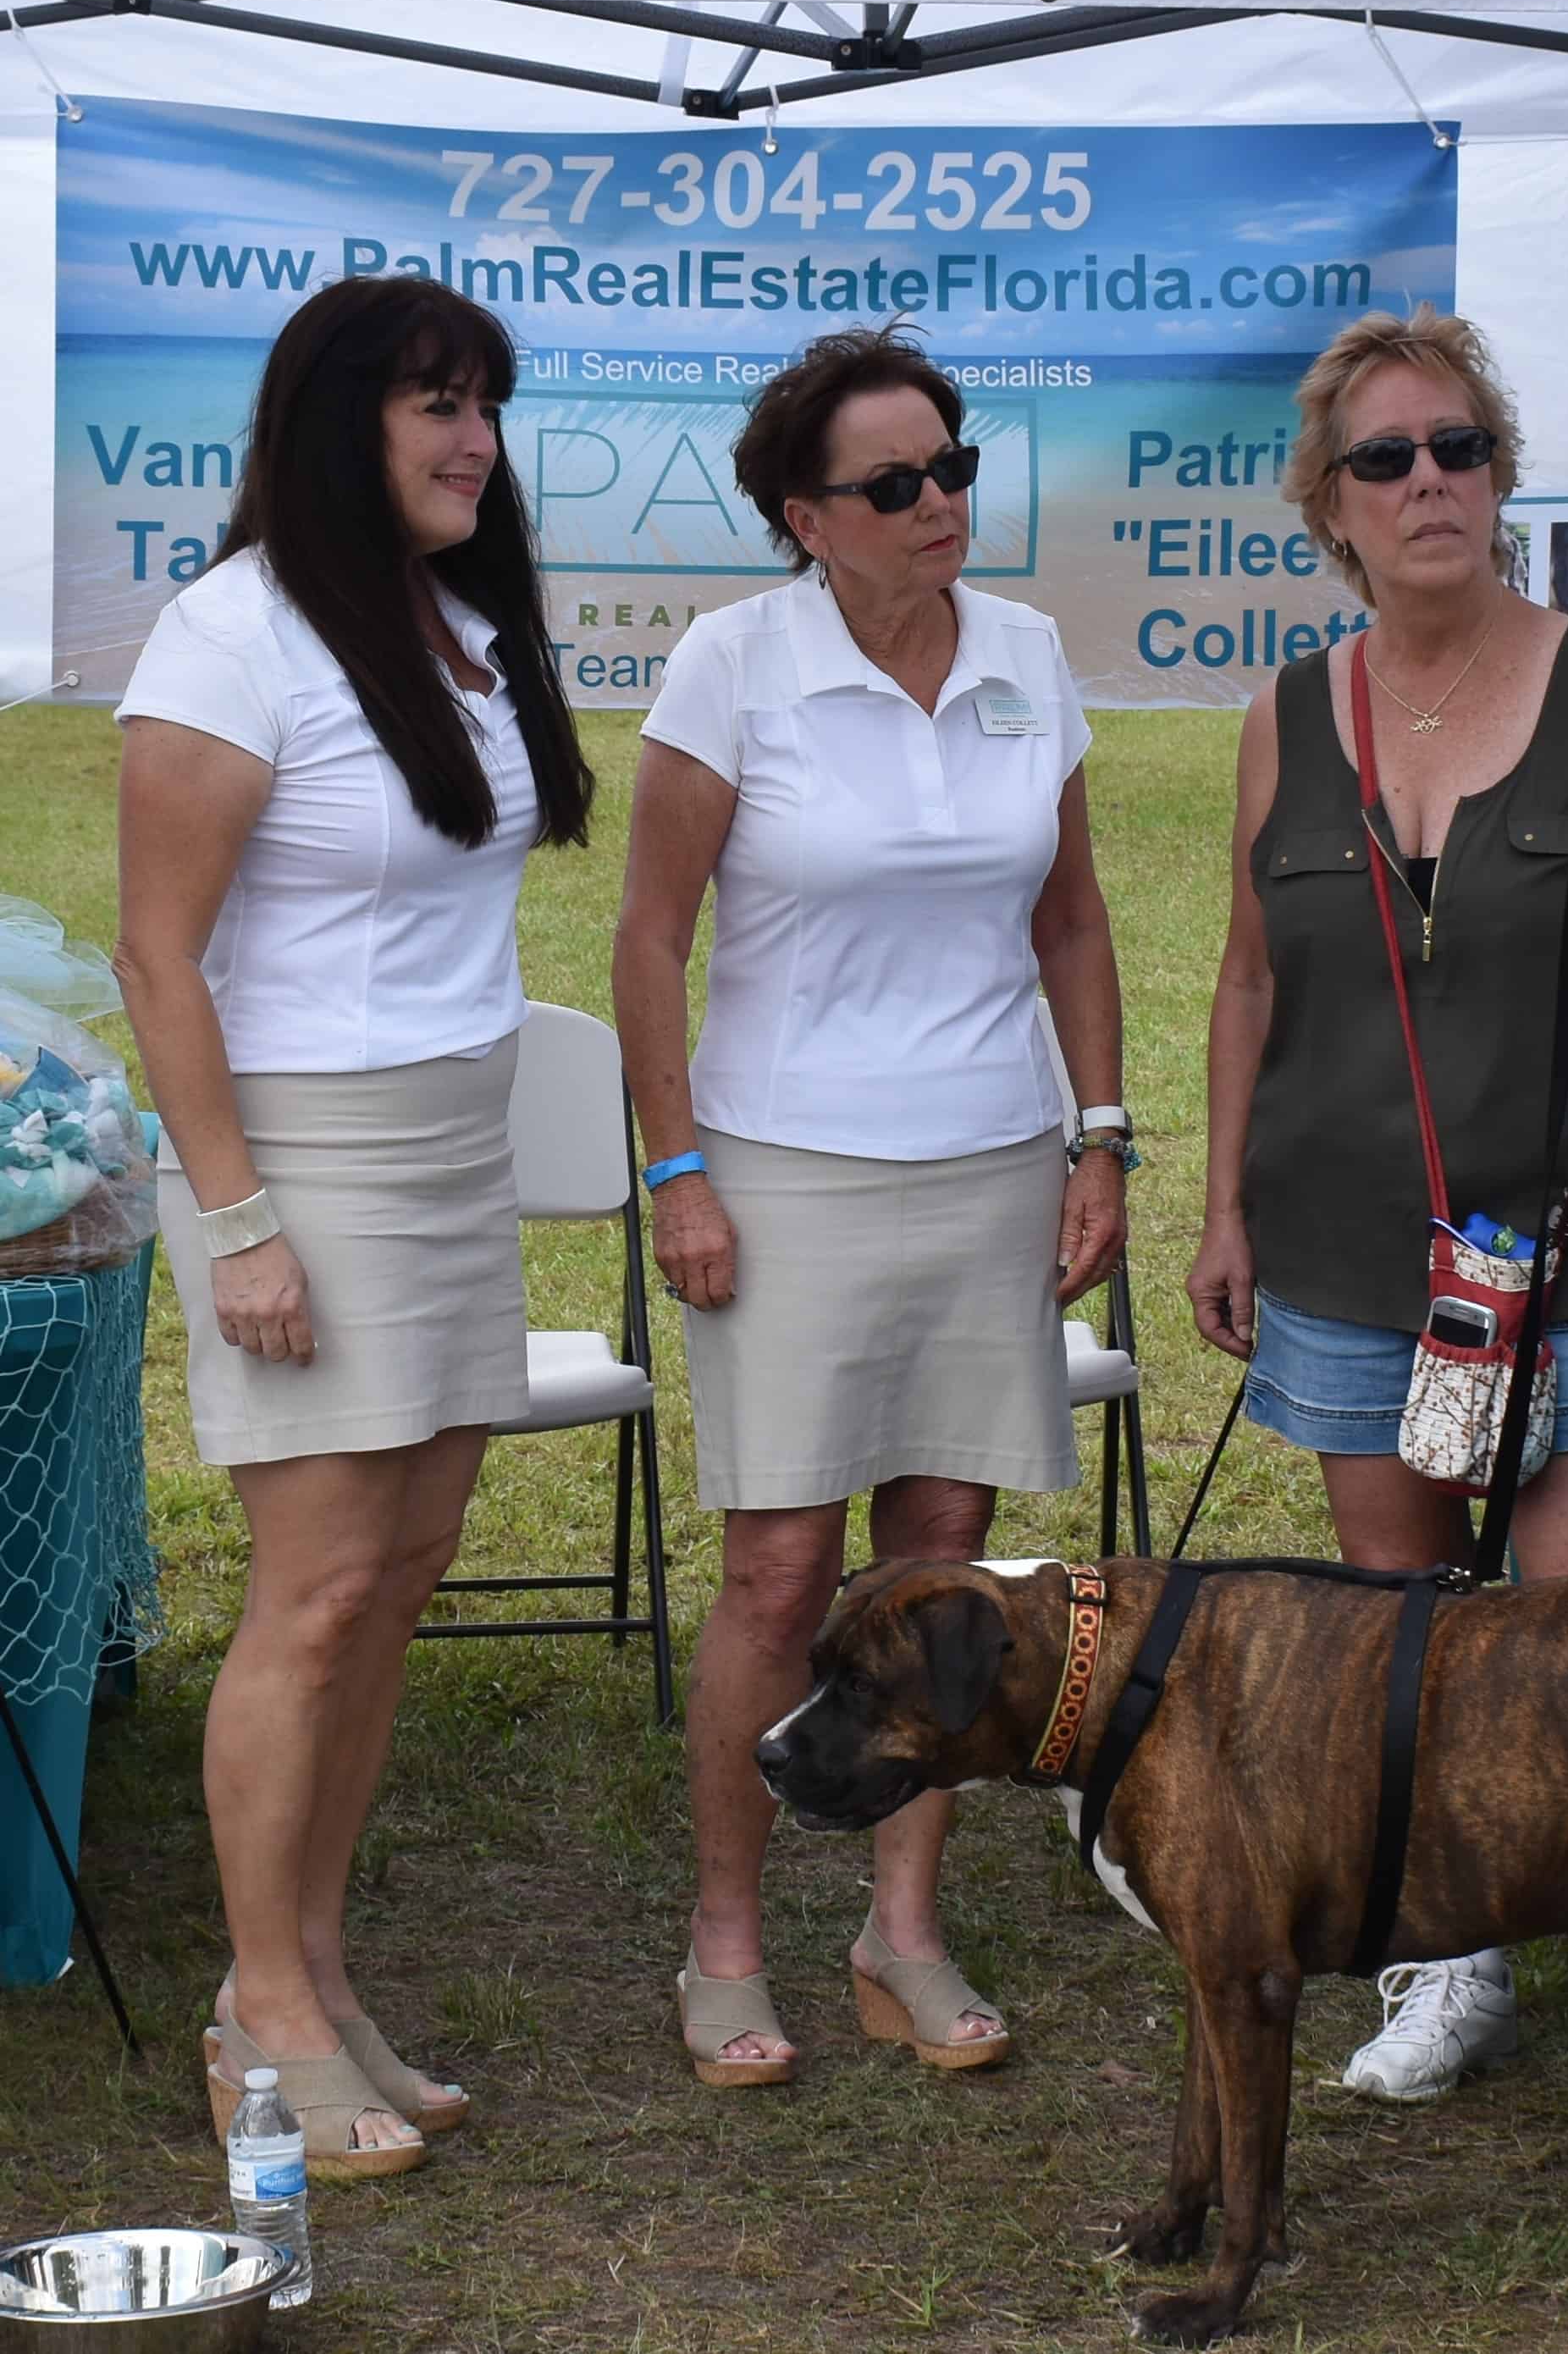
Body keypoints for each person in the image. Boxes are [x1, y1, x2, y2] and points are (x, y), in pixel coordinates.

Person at [1185, 305, 1568, 2166]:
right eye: (1388, 458)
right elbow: (1251, 976)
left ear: (1503, 474)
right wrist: (1216, 1202)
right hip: (1351, 1251)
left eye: (1463, 449)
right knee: (1409, 1638)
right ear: (1327, 504)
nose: (1432, 484)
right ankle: (1459, 1962)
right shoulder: (1283, 715)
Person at [113, 278, 595, 2174]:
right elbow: (161, 953)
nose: (473, 439)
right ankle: (261, 2004)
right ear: (338, 422)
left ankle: (311, 1961)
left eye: (484, 404)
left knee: (399, 1576)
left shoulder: (462, 617)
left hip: (449, 1142)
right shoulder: (227, 637)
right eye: (433, 407)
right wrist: (236, 1215)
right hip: (294, 1156)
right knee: (311, 1598)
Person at [611, 323, 1128, 2086]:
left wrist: (1104, 1135)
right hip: (778, 1164)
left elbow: (1071, 919)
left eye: (955, 468)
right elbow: (648, 936)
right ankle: (726, 1935)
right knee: (775, 1566)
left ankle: (901, 1928)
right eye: (895, 484)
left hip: (988, 1155)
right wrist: (675, 1164)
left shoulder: (1027, 649)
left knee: (938, 1571)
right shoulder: (728, 663)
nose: (941, 504)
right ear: (803, 516)